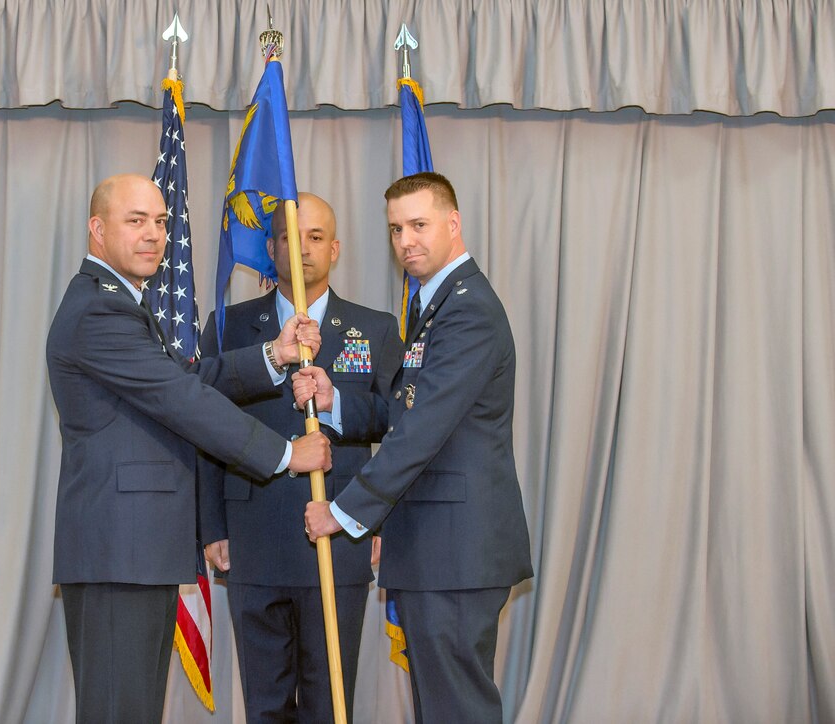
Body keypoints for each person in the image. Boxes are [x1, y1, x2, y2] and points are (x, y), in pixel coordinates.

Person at [46, 174, 332, 724]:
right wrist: (284, 455)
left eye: (160, 222)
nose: (154, 235)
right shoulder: (98, 310)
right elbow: (181, 399)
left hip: (134, 549)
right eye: (136, 221)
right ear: (97, 229)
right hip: (118, 551)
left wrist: (272, 353)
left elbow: (190, 378)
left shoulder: (124, 304)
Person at [298, 172, 533, 724]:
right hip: (439, 546)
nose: (407, 241)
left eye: (420, 225)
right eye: (396, 229)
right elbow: (406, 407)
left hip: (457, 547)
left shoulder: (468, 309)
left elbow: (425, 427)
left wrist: (345, 511)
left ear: (453, 224)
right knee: (441, 706)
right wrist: (337, 404)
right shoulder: (437, 303)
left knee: (456, 708)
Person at [197, 192, 403, 723]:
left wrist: (336, 406)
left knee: (330, 703)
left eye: (316, 237)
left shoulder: (375, 327)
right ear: (271, 247)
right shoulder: (228, 327)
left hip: (339, 536)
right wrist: (211, 525)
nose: (303, 248)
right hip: (253, 535)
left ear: (335, 248)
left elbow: (398, 421)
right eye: (290, 236)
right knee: (264, 705)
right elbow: (201, 423)